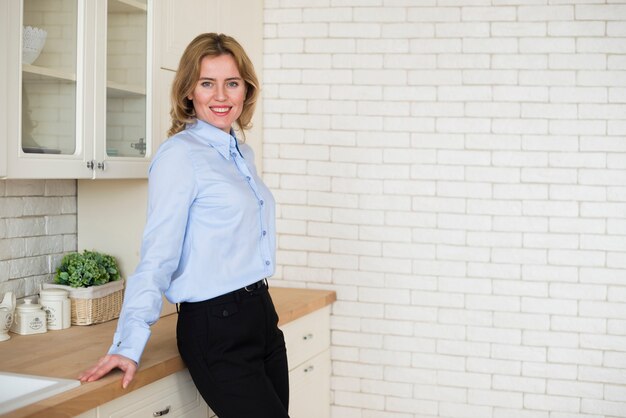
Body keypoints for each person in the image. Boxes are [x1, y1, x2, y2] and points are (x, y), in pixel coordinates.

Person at [78, 33, 290, 418]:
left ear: (246, 90)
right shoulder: (179, 156)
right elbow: (157, 256)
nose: (221, 95)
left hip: (261, 315)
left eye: (232, 83)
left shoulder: (241, 152)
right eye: (207, 83)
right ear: (189, 90)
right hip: (216, 327)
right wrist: (127, 345)